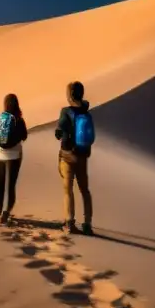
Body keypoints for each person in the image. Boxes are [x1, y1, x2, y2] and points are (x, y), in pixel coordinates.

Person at [54, 80, 95, 235]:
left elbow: (59, 131)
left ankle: (70, 222)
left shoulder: (66, 111)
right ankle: (88, 224)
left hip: (67, 155)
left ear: (70, 95)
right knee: (85, 190)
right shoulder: (86, 113)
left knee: (68, 189)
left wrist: (60, 133)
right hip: (82, 156)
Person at [0, 93, 28, 225]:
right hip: (13, 154)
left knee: (1, 184)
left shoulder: (1, 117)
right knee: (11, 185)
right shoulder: (18, 119)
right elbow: (24, 136)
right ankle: (6, 214)